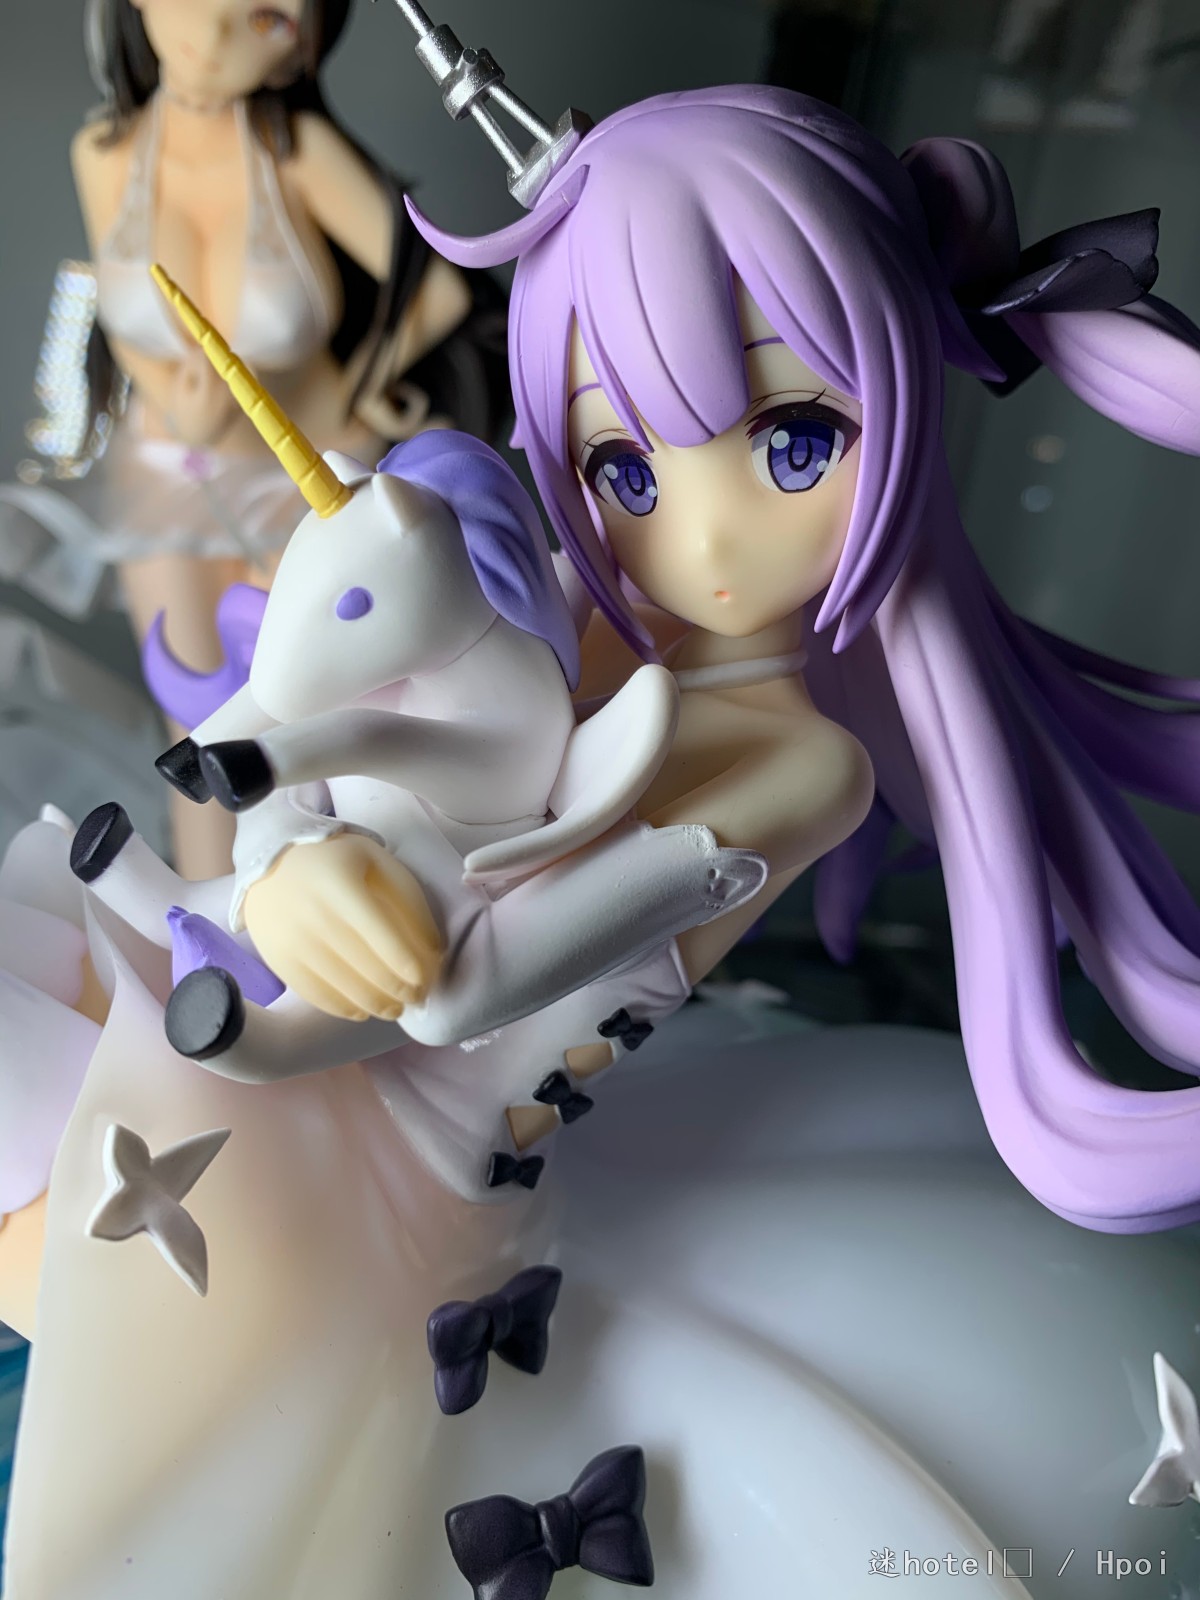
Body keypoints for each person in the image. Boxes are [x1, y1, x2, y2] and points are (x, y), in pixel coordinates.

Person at [0, 0, 505, 878]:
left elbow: (438, 290)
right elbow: (121, 309)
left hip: (298, 474)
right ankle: (205, 909)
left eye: (264, 16)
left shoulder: (294, 153)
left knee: (309, 708)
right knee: (192, 719)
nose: (208, 34)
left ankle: (330, 896)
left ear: (298, 47)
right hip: (166, 472)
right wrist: (172, 394)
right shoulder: (105, 153)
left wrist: (364, 388)